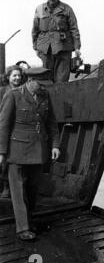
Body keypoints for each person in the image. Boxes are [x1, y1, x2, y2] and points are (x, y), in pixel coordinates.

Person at [0, 67, 61, 241]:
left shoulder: (44, 95)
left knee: (32, 189)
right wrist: (1, 152)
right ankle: (23, 228)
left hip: (38, 151)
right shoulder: (13, 95)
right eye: (40, 84)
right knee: (18, 191)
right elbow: (3, 125)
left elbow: (51, 123)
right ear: (30, 80)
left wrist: (55, 145)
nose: (42, 87)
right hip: (17, 151)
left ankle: (29, 220)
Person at [32, 0, 81, 83]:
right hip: (45, 48)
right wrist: (35, 47)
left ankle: (61, 96)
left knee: (62, 79)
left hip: (63, 46)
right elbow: (35, 29)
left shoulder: (67, 8)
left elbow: (74, 28)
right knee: (46, 77)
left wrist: (77, 47)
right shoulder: (40, 9)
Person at [0, 65, 24, 198]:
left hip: (16, 129)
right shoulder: (2, 91)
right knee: (3, 158)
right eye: (14, 75)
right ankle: (4, 186)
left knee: (13, 159)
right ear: (8, 77)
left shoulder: (23, 91)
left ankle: (10, 186)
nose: (17, 78)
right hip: (4, 127)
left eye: (19, 76)